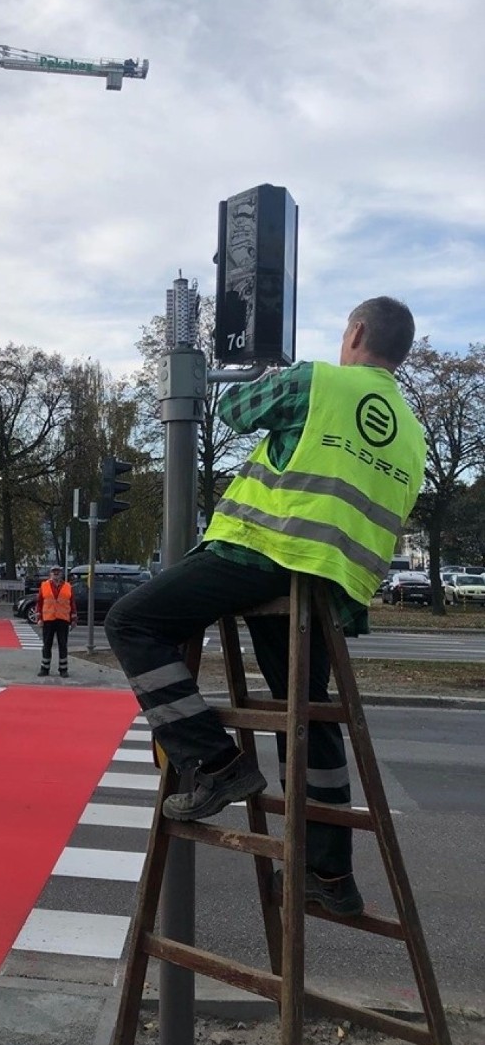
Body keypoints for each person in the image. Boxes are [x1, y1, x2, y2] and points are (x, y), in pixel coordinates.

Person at [105, 296, 426, 917]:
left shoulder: (319, 381)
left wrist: (261, 376)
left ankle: (214, 761)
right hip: (331, 585)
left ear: (355, 331)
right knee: (310, 717)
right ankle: (330, 876)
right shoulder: (410, 432)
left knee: (133, 621)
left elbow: (236, 410)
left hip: (262, 554)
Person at [37, 565, 77, 678]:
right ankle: (44, 668)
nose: (56, 573)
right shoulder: (44, 586)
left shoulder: (68, 586)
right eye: (54, 572)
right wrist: (39, 618)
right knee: (47, 645)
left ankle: (63, 669)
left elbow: (72, 603)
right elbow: (39, 603)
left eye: (58, 572)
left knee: (63, 645)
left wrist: (74, 619)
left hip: (63, 619)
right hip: (48, 619)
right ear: (50, 574)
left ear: (61, 573)